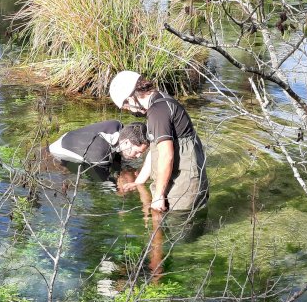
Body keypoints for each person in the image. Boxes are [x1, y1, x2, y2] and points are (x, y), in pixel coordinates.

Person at [109, 70, 208, 213]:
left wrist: (158, 195)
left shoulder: (157, 112)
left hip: (184, 180)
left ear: (131, 99)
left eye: (127, 107)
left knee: (178, 221)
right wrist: (139, 182)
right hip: (181, 174)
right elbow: (154, 151)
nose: (130, 110)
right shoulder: (160, 101)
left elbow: (166, 155)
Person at [48, 120, 149, 166]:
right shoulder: (101, 154)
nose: (138, 156)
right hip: (56, 155)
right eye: (137, 152)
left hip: (66, 138)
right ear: (126, 142)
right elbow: (101, 179)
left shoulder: (117, 126)